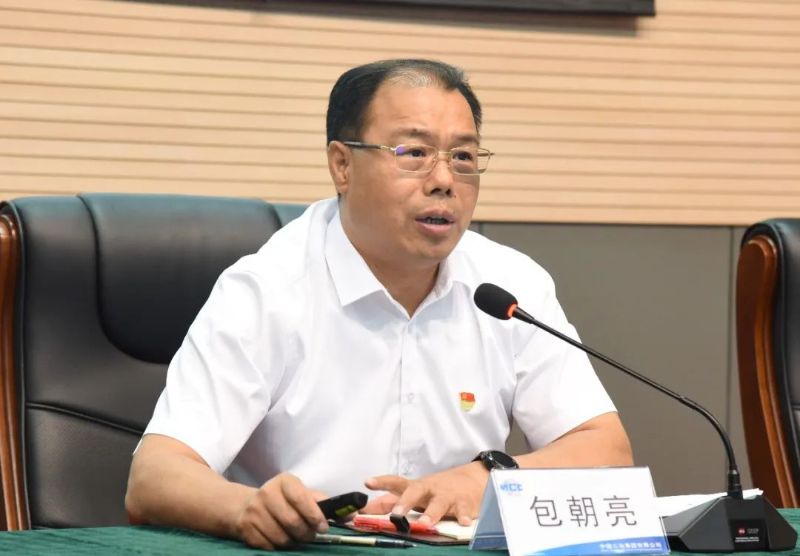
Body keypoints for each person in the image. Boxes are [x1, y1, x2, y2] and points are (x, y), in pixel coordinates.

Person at [125, 59, 632, 550]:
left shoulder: (509, 286)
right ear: (342, 165)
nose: (444, 179)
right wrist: (246, 509)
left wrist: (488, 477)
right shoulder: (268, 290)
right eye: (414, 152)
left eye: (462, 156)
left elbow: (605, 448)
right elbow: (154, 477)